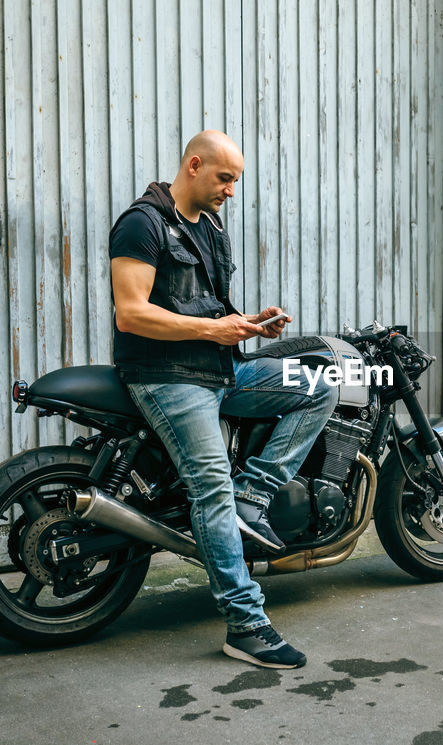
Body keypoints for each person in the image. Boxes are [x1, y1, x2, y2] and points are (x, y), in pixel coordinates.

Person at [108, 130, 339, 669]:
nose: (231, 191)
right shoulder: (143, 223)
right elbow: (131, 313)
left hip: (222, 369)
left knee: (319, 384)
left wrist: (248, 324)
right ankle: (246, 624)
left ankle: (252, 498)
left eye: (235, 181)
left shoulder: (210, 228)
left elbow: (207, 310)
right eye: (225, 178)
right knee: (209, 487)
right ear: (194, 165)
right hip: (169, 377)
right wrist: (213, 331)